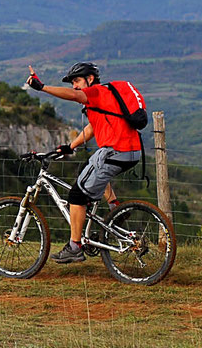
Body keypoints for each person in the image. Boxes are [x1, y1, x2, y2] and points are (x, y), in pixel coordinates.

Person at [26, 62, 142, 264]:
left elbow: (74, 96)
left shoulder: (95, 92)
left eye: (77, 81)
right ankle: (115, 208)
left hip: (115, 152)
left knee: (76, 196)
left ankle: (74, 247)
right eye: (72, 83)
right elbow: (92, 128)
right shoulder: (106, 96)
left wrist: (42, 87)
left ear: (90, 79)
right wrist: (71, 146)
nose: (75, 86)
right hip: (131, 153)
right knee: (90, 167)